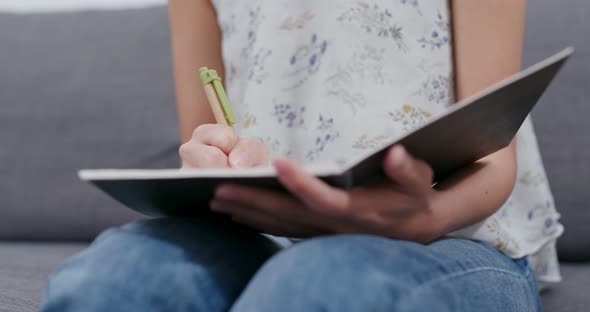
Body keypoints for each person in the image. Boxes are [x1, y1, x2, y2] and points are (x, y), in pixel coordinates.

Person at [41, 0, 562, 311]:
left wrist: (424, 216)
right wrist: (209, 158)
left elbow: (496, 159)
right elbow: (205, 138)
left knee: (319, 284)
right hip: (260, 235)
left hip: (454, 238)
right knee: (115, 279)